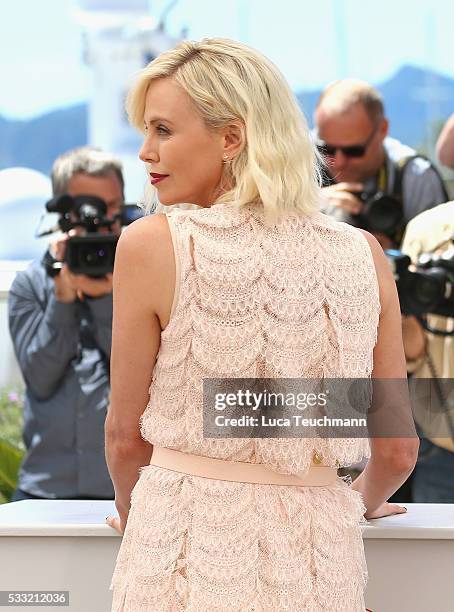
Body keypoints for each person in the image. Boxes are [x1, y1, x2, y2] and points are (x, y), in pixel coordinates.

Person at [105, 38, 418, 611]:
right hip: (323, 566)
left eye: (163, 131)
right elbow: (396, 449)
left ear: (231, 137)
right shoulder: (363, 253)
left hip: (180, 558)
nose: (145, 152)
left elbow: (125, 439)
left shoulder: (153, 244)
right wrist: (359, 502)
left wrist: (134, 515)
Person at [8, 146, 124, 501]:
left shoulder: (141, 281)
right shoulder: (31, 284)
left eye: (112, 212)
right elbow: (40, 378)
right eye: (89, 211)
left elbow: (146, 377)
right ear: (60, 211)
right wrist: (63, 301)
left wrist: (106, 299)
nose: (101, 224)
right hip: (45, 490)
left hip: (121, 493)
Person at [314, 78, 448, 249]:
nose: (339, 162)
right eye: (327, 149)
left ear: (382, 130)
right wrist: (311, 206)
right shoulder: (300, 167)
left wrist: (392, 255)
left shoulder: (416, 177)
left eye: (354, 151)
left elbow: (438, 264)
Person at [399, 118, 454, 502]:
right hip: (440, 441)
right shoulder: (429, 231)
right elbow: (412, 352)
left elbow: (411, 353)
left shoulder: (429, 230)